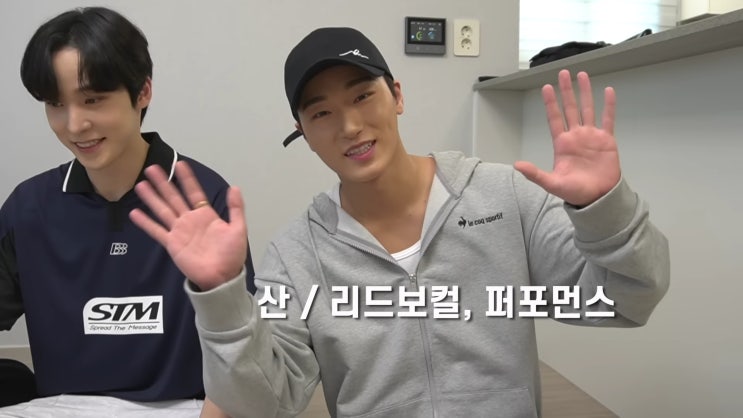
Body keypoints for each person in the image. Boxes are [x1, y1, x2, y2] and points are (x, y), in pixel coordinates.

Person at [131, 27, 670, 418]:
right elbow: (265, 403)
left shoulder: (505, 196)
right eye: (322, 113)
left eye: (363, 95)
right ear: (303, 132)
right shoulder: (296, 256)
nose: (349, 125)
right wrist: (222, 296)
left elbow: (627, 300)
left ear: (397, 95)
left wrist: (604, 209)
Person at [0, 6, 255, 417]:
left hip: (185, 408)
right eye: (56, 103)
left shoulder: (205, 200)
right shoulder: (29, 208)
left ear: (143, 92)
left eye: (93, 100)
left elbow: (241, 358)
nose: (74, 125)